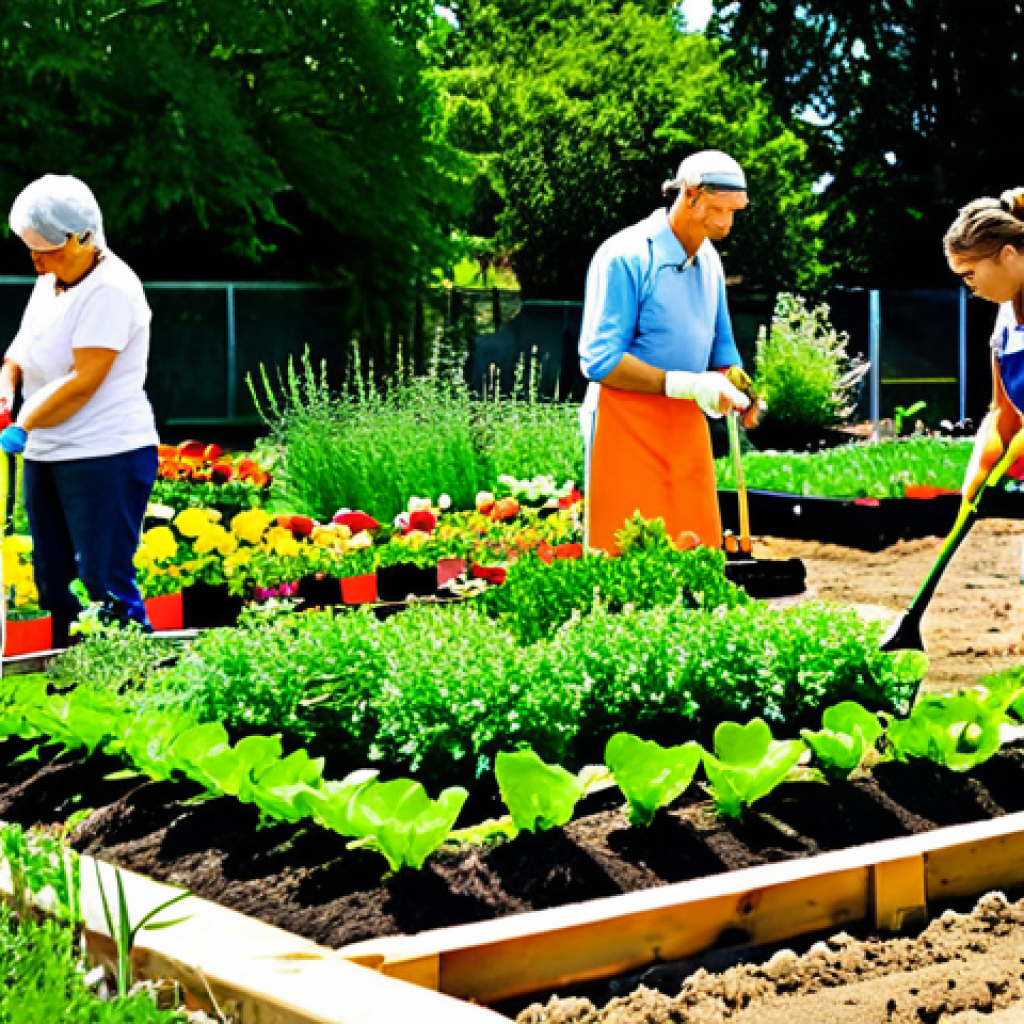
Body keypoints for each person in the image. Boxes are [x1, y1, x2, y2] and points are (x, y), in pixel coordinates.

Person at [0, 174, 160, 647]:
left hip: (106, 452)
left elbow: (83, 381)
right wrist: (7, 387)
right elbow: (19, 352)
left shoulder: (112, 288)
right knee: (52, 580)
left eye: (45, 248)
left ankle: (137, 687)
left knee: (103, 580)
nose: (34, 258)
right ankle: (74, 683)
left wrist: (25, 422)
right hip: (48, 452)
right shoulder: (50, 281)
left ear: (82, 238)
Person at [578, 149, 753, 554]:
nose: (726, 222)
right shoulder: (625, 256)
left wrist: (743, 389)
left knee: (694, 548)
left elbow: (721, 344)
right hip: (622, 424)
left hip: (685, 424)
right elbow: (600, 360)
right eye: (717, 210)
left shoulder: (709, 260)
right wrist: (685, 383)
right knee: (625, 554)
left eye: (733, 212)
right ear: (689, 194)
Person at [944, 187, 1024, 502]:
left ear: (1008, 256)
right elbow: (1004, 414)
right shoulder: (1005, 326)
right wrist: (977, 477)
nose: (970, 287)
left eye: (970, 274)